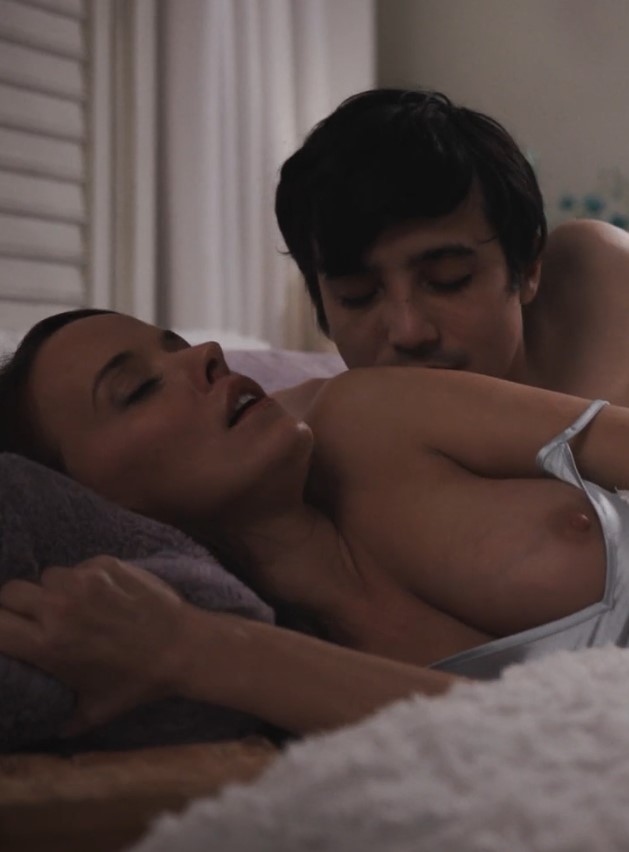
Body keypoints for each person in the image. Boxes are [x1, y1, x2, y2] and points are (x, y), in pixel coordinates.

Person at [1, 309, 629, 739]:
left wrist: (199, 648)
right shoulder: (264, 687)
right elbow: (537, 743)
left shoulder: (366, 414)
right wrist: (192, 648)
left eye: (178, 342)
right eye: (137, 388)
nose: (207, 353)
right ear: (82, 503)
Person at [274, 88, 629, 416]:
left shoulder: (596, 276)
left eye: (448, 280)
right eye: (357, 295)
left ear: (528, 268)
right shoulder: (318, 432)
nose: (408, 332)